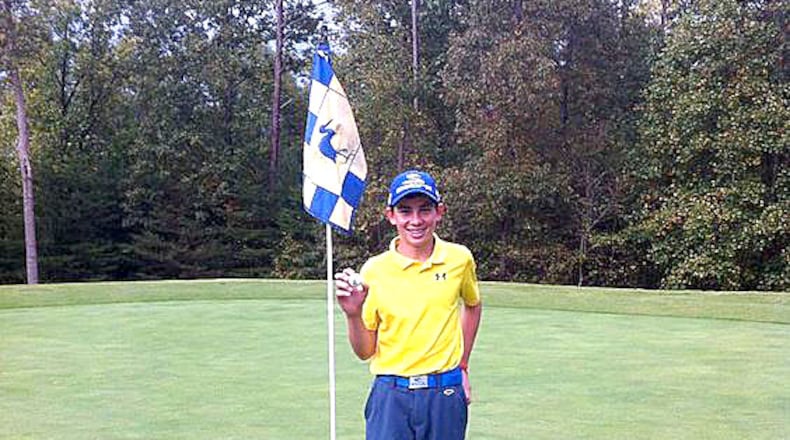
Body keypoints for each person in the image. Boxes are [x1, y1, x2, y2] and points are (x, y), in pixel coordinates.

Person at [334, 169, 483, 440]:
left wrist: (462, 365)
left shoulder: (459, 259)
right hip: (391, 395)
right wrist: (352, 315)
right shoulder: (373, 271)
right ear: (391, 215)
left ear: (439, 212)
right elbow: (365, 351)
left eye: (424, 210)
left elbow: (473, 305)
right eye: (405, 211)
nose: (416, 220)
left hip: (444, 393)